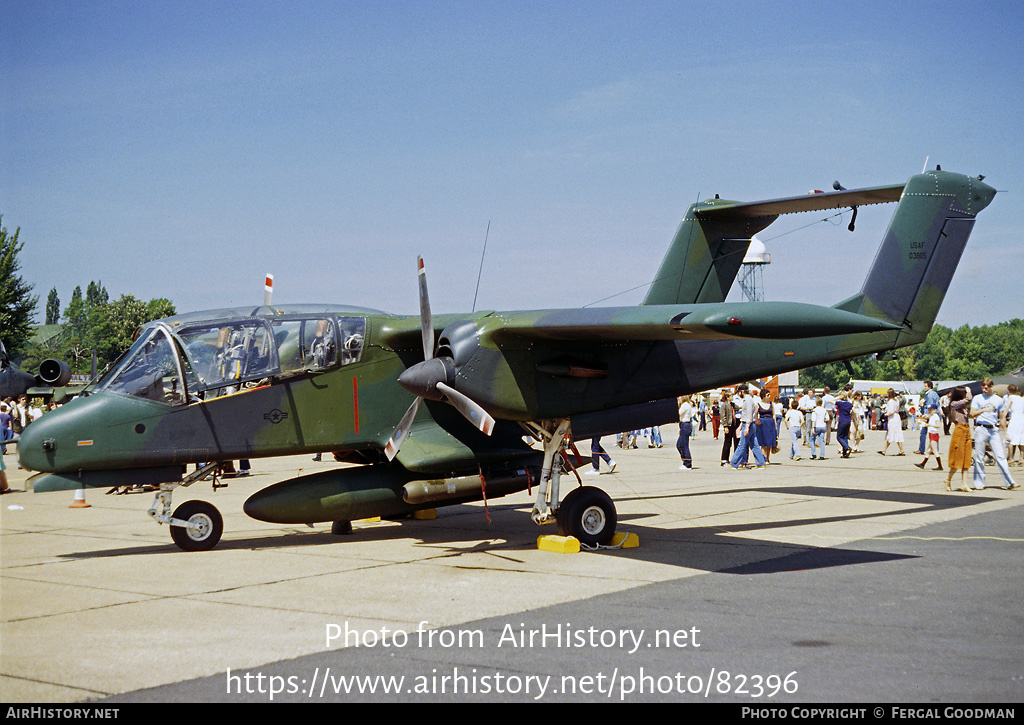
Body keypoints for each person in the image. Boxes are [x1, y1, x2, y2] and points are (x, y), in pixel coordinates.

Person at [970, 378, 1020, 491]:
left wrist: (1006, 432)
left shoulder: (998, 400)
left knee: (1000, 456)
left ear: (991, 386)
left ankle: (1010, 482)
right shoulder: (977, 398)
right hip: (981, 428)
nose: (985, 389)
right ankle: (979, 482)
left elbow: (1002, 417)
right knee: (979, 457)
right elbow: (972, 413)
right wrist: (983, 410)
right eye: (983, 387)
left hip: (993, 430)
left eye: (987, 387)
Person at [728, 385, 766, 470]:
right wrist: (741, 425)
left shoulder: (748, 400)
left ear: (742, 391)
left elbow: (749, 414)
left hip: (748, 423)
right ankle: (761, 463)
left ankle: (734, 463)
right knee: (754, 444)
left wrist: (746, 427)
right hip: (749, 423)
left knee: (742, 444)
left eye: (739, 392)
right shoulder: (748, 399)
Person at [944, 386, 973, 492]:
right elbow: (968, 400)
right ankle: (948, 479)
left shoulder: (963, 407)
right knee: (957, 459)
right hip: (959, 430)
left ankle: (964, 484)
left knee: (966, 459)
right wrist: (969, 392)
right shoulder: (954, 404)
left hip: (966, 430)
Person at [915, 405, 943, 471]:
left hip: (934, 434)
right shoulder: (931, 416)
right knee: (929, 450)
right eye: (929, 409)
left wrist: (929, 425)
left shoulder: (936, 416)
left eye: (931, 410)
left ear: (935, 410)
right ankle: (923, 464)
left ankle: (940, 466)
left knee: (934, 450)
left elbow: (938, 425)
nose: (929, 411)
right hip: (931, 434)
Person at [878, 389, 905, 456]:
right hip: (897, 417)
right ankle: (901, 450)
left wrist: (885, 414)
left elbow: (891, 411)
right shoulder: (896, 400)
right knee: (897, 433)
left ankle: (884, 450)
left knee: (891, 433)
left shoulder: (890, 402)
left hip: (892, 418)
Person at [916, 381, 939, 454]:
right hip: (933, 414)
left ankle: (921, 449)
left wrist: (927, 416)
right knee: (933, 432)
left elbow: (930, 406)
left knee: (923, 433)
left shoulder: (930, 394)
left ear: (929, 387)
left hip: (929, 415)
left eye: (925, 386)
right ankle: (934, 449)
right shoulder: (934, 393)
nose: (924, 388)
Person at [1004, 384, 1024, 466]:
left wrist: (1004, 419)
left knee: (1011, 439)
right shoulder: (1022, 399)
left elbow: (1006, 409)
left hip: (1014, 419)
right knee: (1022, 439)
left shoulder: (1011, 398)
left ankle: (1011, 458)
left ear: (1009, 391)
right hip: (1022, 419)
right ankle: (1022, 459)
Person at [756, 388, 776, 464]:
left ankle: (767, 458)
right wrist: (756, 421)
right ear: (763, 396)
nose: (769, 396)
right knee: (763, 442)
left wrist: (775, 425)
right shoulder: (758, 404)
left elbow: (773, 415)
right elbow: (755, 415)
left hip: (770, 423)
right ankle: (763, 458)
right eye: (767, 395)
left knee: (769, 442)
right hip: (762, 423)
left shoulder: (771, 404)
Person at [677, 396, 695, 470]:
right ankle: (685, 461)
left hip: (685, 424)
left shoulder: (684, 405)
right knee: (679, 444)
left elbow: (679, 413)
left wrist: (678, 405)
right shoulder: (687, 405)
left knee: (684, 445)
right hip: (684, 424)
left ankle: (687, 463)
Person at [719, 391, 737, 466]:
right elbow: (723, 416)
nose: (732, 397)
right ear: (727, 397)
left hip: (733, 424)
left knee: (734, 442)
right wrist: (725, 426)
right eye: (731, 396)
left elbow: (738, 407)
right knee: (727, 443)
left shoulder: (732, 404)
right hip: (728, 425)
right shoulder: (724, 405)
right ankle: (724, 459)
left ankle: (732, 459)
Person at [835, 391, 854, 458]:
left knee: (839, 437)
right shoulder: (849, 404)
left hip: (842, 420)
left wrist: (838, 397)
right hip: (848, 421)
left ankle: (847, 447)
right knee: (845, 437)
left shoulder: (839, 403)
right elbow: (852, 412)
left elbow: (830, 401)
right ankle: (845, 453)